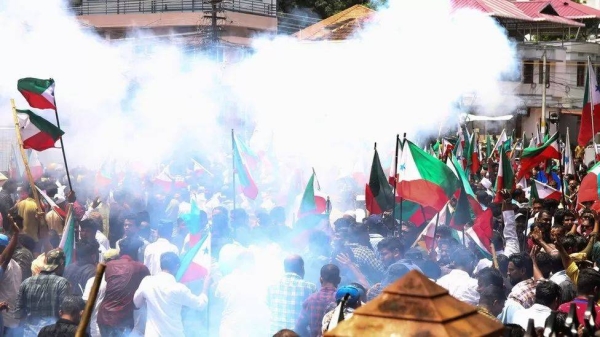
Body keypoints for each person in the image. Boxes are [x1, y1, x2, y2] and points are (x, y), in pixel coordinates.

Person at [133, 252, 209, 336]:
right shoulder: (179, 288)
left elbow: (137, 303)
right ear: (177, 267)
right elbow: (200, 304)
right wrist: (205, 288)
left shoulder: (147, 281)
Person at [15, 248, 71, 337]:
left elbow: (18, 313)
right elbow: (66, 313)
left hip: (29, 334)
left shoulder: (26, 282)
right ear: (61, 264)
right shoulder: (62, 283)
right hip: (53, 334)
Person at [267, 255, 316, 334]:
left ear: (284, 268)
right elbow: (313, 314)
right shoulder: (310, 287)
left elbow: (269, 306)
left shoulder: (271, 285)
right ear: (302, 268)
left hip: (276, 334)